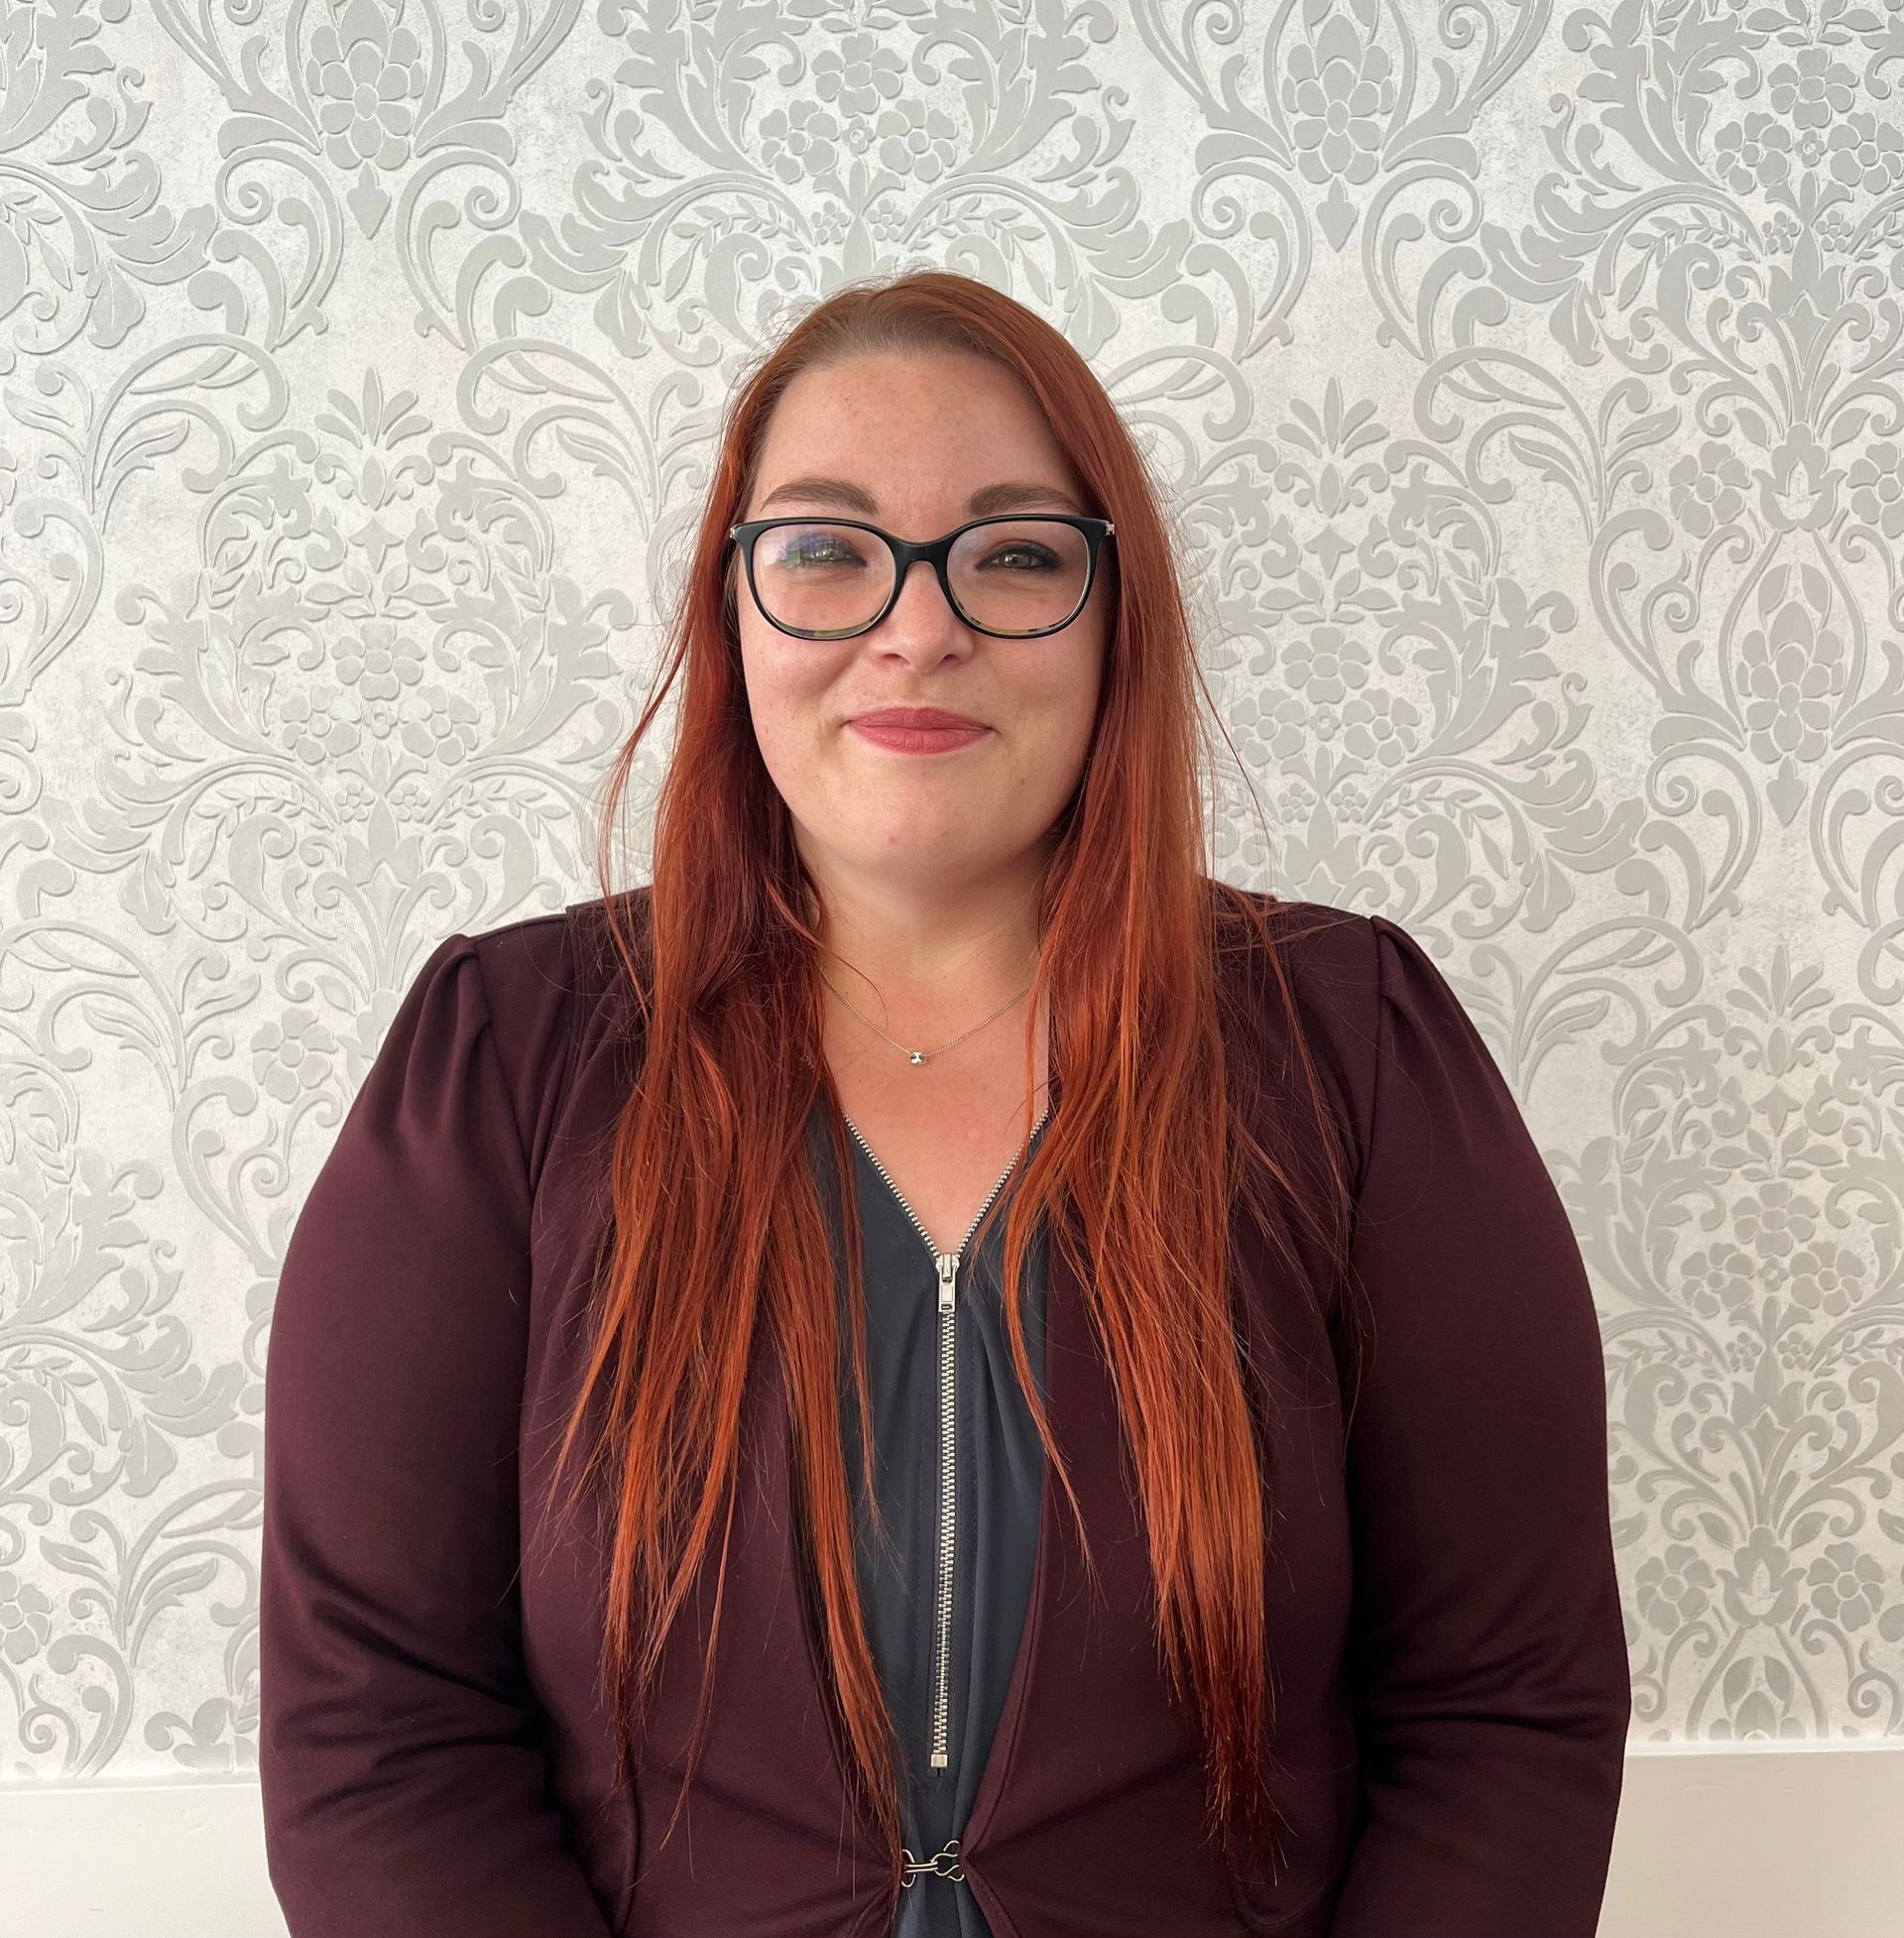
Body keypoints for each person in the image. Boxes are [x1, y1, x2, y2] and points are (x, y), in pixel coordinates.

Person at [259, 270, 1631, 1938]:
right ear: (733, 609)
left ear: (1116, 618)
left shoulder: (1352, 1049)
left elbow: (1507, 1708)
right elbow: (379, 1732)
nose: (920, 627)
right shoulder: (502, 1062)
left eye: (1016, 553)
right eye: (829, 550)